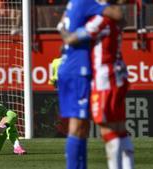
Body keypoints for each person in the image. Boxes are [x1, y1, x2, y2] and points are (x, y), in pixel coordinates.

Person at [58, 0, 135, 168]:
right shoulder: (94, 9)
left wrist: (62, 30)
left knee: (91, 127)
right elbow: (121, 17)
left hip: (98, 74)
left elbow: (67, 32)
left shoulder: (89, 12)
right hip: (91, 72)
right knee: (88, 126)